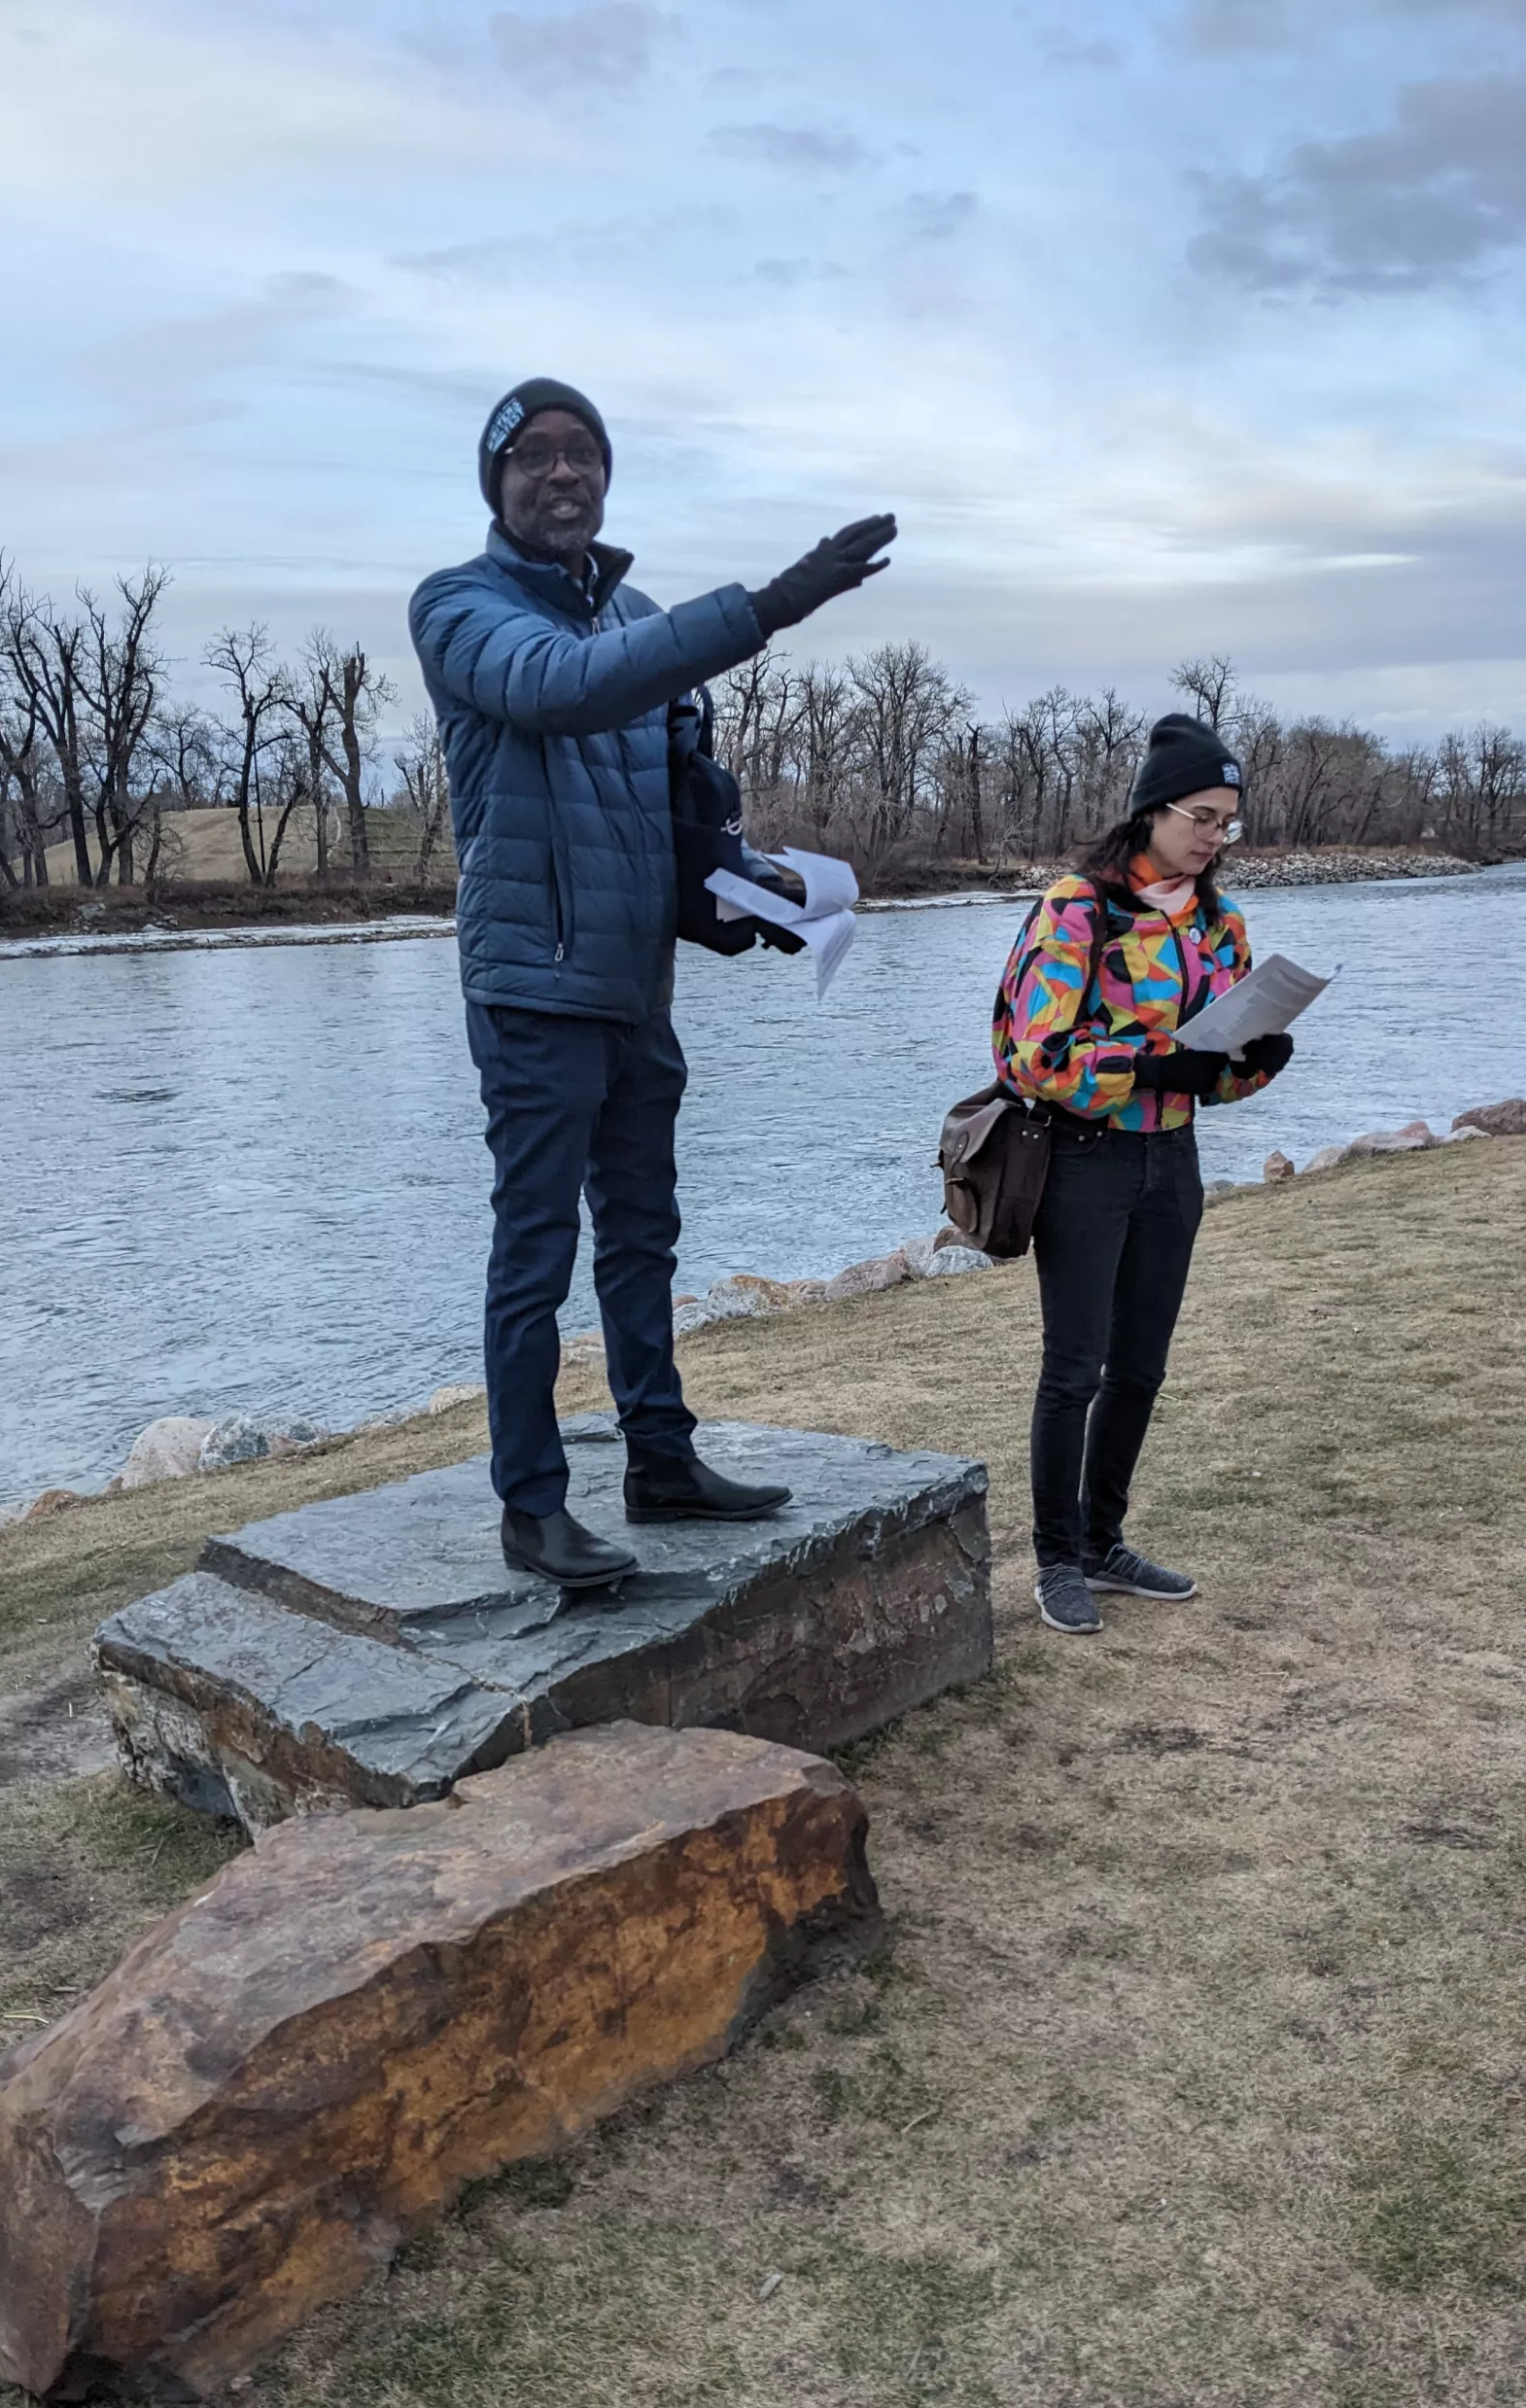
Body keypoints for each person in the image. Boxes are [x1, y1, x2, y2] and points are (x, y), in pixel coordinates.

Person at [409, 377, 896, 1588]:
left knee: (645, 1237)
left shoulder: (633, 616)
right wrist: (775, 604)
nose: (563, 473)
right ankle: (532, 1504)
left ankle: (661, 1461)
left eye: (585, 454)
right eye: (534, 456)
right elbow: (567, 689)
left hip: (637, 992)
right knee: (536, 1250)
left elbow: (680, 818)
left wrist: (750, 899)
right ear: (498, 483)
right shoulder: (459, 610)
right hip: (532, 989)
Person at [990, 711, 1295, 1634]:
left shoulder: (1220, 921)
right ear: (1151, 812)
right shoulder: (1075, 908)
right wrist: (1150, 1065)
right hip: (1085, 1161)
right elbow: (1028, 1056)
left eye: (1227, 822)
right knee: (1073, 1368)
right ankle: (1055, 1561)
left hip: (1174, 1161)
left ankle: (1103, 1541)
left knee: (1143, 1368)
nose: (1213, 838)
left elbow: (1224, 1073)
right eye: (1200, 816)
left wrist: (1258, 1058)